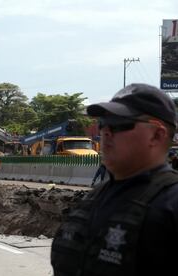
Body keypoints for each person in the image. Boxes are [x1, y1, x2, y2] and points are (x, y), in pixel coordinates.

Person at [51, 83, 178, 276]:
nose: (106, 132)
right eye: (103, 123)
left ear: (157, 135)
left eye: (119, 124)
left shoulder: (171, 205)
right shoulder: (92, 200)